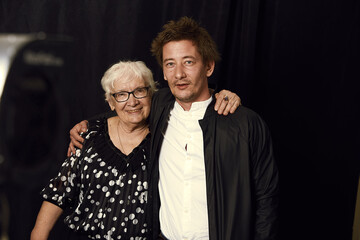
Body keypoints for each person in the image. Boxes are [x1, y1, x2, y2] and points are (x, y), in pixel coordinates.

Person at [69, 16, 278, 240]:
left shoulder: (246, 123)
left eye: (188, 62)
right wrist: (89, 125)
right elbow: (129, 108)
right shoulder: (158, 107)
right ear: (164, 71)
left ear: (208, 67)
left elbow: (266, 200)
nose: (178, 74)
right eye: (170, 64)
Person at [31, 61, 156, 239]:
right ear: (111, 102)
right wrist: (38, 234)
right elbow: (59, 191)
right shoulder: (88, 136)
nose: (132, 101)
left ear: (150, 93)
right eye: (121, 94)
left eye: (139, 91)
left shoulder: (164, 138)